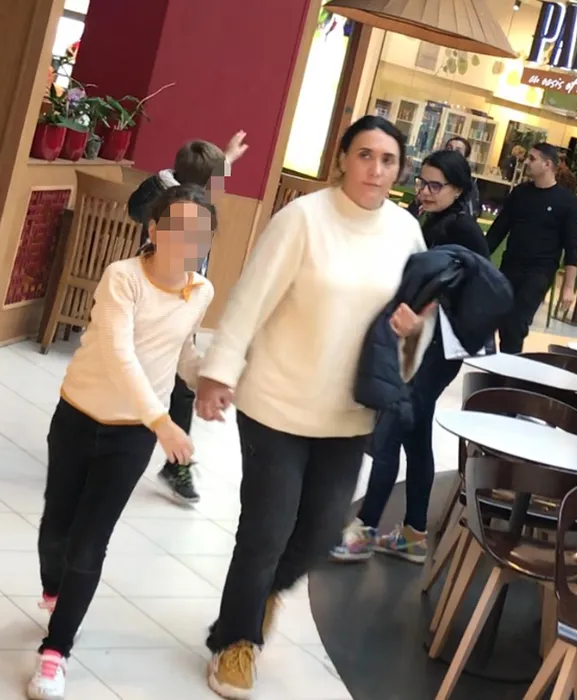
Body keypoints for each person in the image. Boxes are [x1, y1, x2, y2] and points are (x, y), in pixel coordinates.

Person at [194, 115, 434, 699]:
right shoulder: (303, 218)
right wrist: (219, 371)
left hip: (348, 412)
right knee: (266, 529)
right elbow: (252, 296)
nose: (375, 169)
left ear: (399, 171)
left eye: (388, 160)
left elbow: (418, 320)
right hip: (276, 402)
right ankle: (236, 641)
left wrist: (413, 329)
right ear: (343, 159)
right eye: (365, 155)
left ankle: (261, 597)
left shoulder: (406, 232)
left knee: (323, 529)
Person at [27, 185, 217, 700]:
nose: (189, 241)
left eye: (200, 233)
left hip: (131, 436)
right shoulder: (123, 277)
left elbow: (181, 351)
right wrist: (163, 421)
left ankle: (56, 650)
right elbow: (119, 353)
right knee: (56, 530)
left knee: (90, 542)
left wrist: (211, 380)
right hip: (78, 415)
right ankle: (55, 591)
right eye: (178, 228)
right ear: (154, 230)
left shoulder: (201, 291)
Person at [331, 149, 489, 565]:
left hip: (438, 349)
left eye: (436, 185)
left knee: (390, 432)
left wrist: (431, 312)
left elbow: (475, 292)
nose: (425, 191)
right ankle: (414, 534)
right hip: (422, 343)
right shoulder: (429, 221)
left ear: (458, 190)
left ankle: (364, 530)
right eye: (422, 182)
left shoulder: (463, 230)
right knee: (415, 437)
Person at [126, 132, 248, 506]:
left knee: (180, 385)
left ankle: (176, 463)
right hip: (153, 304)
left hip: (185, 303)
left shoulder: (189, 192)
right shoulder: (165, 202)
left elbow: (203, 181)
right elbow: (137, 209)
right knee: (133, 373)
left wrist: (226, 157)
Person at [486, 143, 577, 353]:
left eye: (532, 159)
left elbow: (571, 248)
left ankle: (509, 366)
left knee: (516, 322)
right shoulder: (520, 193)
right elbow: (498, 230)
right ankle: (501, 363)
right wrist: (479, 259)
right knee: (499, 317)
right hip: (511, 265)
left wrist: (568, 287)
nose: (526, 162)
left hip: (539, 271)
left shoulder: (567, 202)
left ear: (547, 164)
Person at [443, 136, 481, 219]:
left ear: (465, 158)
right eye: (449, 148)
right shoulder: (434, 174)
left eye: (458, 151)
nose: (452, 152)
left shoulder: (467, 182)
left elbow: (471, 212)